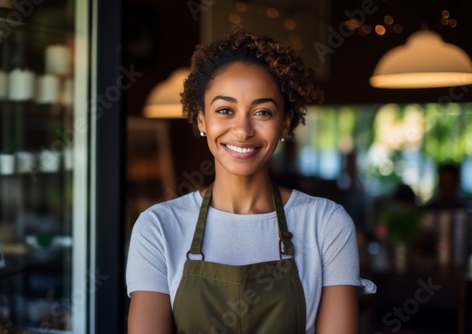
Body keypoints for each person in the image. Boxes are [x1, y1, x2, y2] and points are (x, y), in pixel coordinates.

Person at [126, 29, 376, 334]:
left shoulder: (326, 224)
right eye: (225, 110)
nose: (242, 130)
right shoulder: (158, 228)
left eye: (262, 112)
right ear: (202, 119)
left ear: (285, 122)